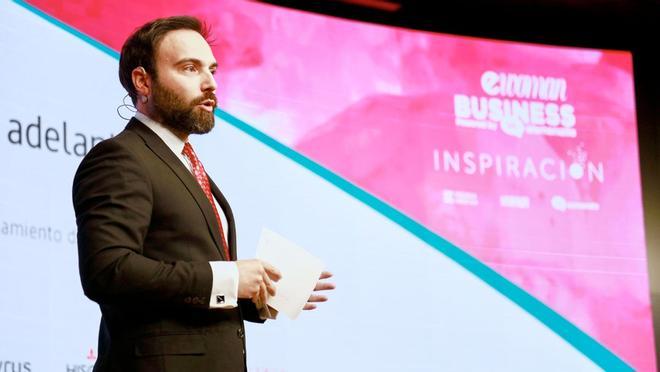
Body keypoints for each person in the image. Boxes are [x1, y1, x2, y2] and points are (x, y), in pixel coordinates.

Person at [72, 16, 334, 372]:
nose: (210, 83)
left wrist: (254, 297)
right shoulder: (121, 158)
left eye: (212, 69)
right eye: (190, 68)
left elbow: (185, 283)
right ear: (143, 81)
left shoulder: (184, 163)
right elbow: (109, 271)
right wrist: (229, 278)